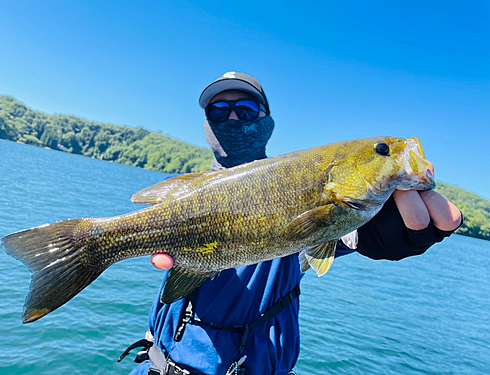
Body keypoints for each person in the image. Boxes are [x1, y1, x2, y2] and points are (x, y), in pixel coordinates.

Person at [126, 72, 462, 375]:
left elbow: (339, 237)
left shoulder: (309, 188)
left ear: (266, 121)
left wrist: (379, 231)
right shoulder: (183, 196)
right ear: (207, 124)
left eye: (244, 109)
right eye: (218, 111)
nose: (231, 118)